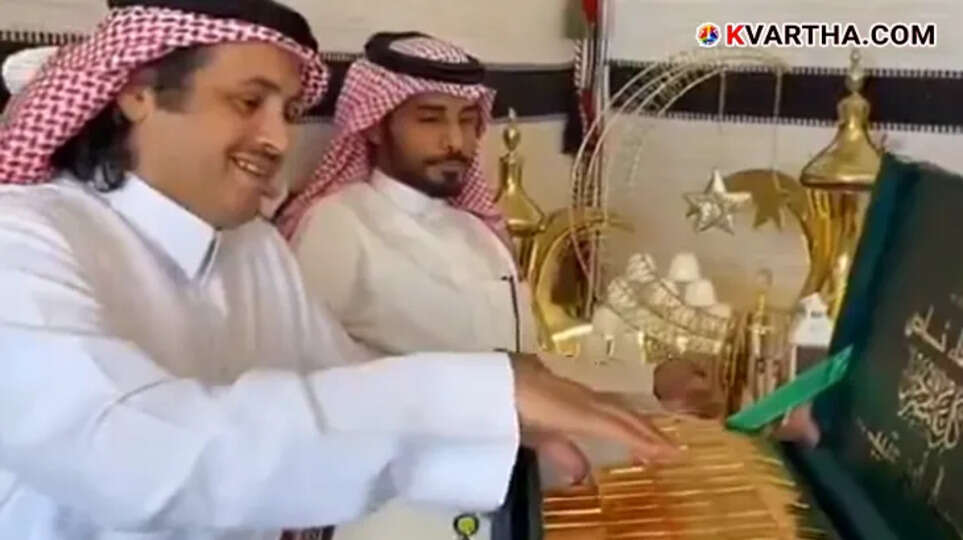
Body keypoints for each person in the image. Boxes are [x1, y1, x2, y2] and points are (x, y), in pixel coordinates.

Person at [0, 2, 680, 539]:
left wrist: (504, 434)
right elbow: (134, 457)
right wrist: (472, 396)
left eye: (290, 112)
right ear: (138, 94)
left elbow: (337, 384)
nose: (276, 138)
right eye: (248, 102)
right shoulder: (24, 239)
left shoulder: (251, 251)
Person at [274, 31, 716, 540]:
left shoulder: (475, 233)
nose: (455, 141)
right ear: (375, 126)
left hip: (496, 498)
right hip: (392, 514)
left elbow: (524, 366)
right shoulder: (338, 225)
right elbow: (317, 388)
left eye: (466, 119)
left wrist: (652, 381)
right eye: (430, 118)